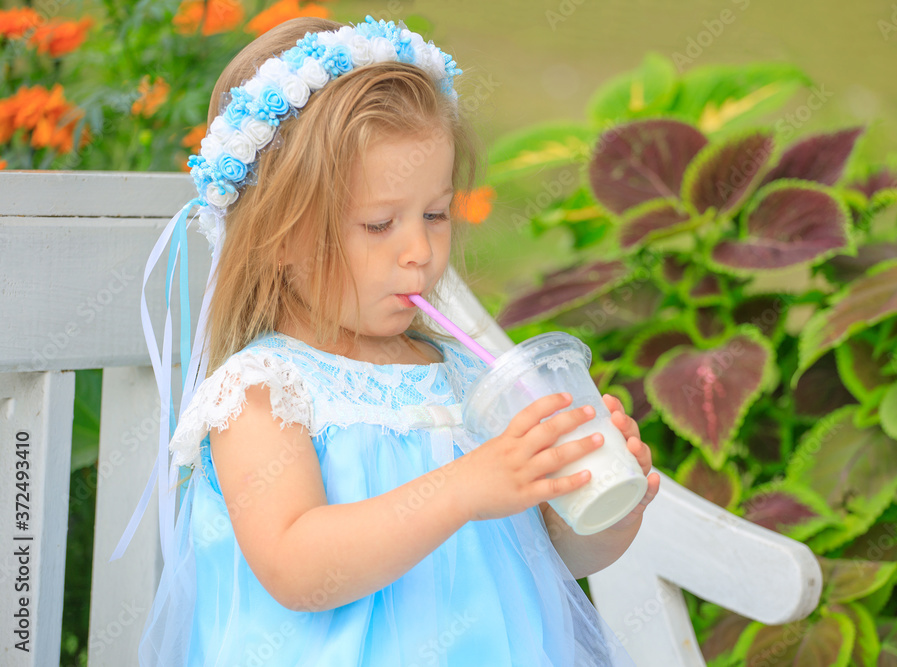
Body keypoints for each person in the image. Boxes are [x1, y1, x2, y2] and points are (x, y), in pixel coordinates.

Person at [134, 15, 660, 666]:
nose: (419, 251)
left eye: (435, 214)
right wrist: (465, 486)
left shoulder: (463, 375)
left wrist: (603, 499)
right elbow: (298, 569)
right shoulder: (265, 390)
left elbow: (559, 556)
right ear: (281, 237)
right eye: (380, 222)